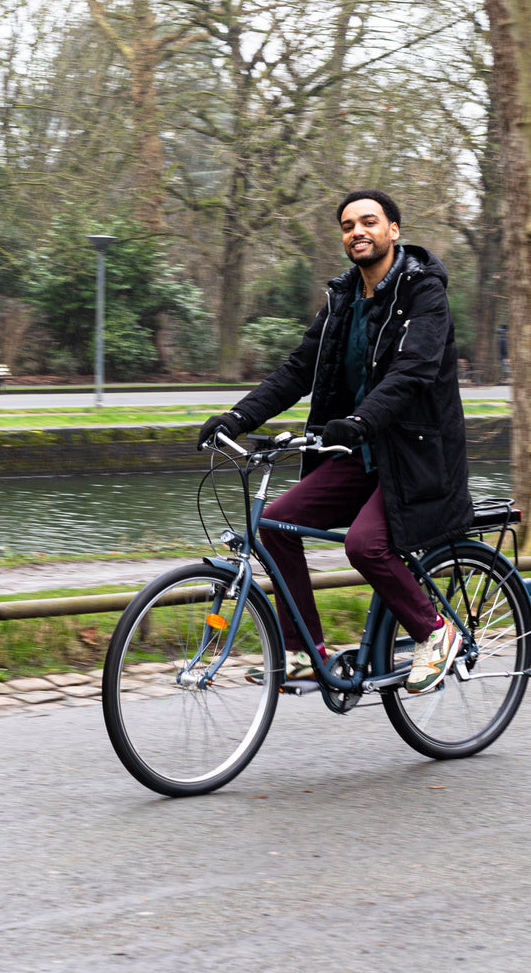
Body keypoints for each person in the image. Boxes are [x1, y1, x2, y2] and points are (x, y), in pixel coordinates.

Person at [197, 189, 473, 694]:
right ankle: (304, 651)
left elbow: (414, 370)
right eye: (347, 226)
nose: (357, 232)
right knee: (275, 527)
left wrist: (364, 419)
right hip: (359, 453)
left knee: (364, 544)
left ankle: (436, 633)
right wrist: (237, 417)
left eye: (369, 221)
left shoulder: (423, 292)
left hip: (414, 454)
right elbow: (299, 369)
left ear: (393, 230)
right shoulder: (344, 299)